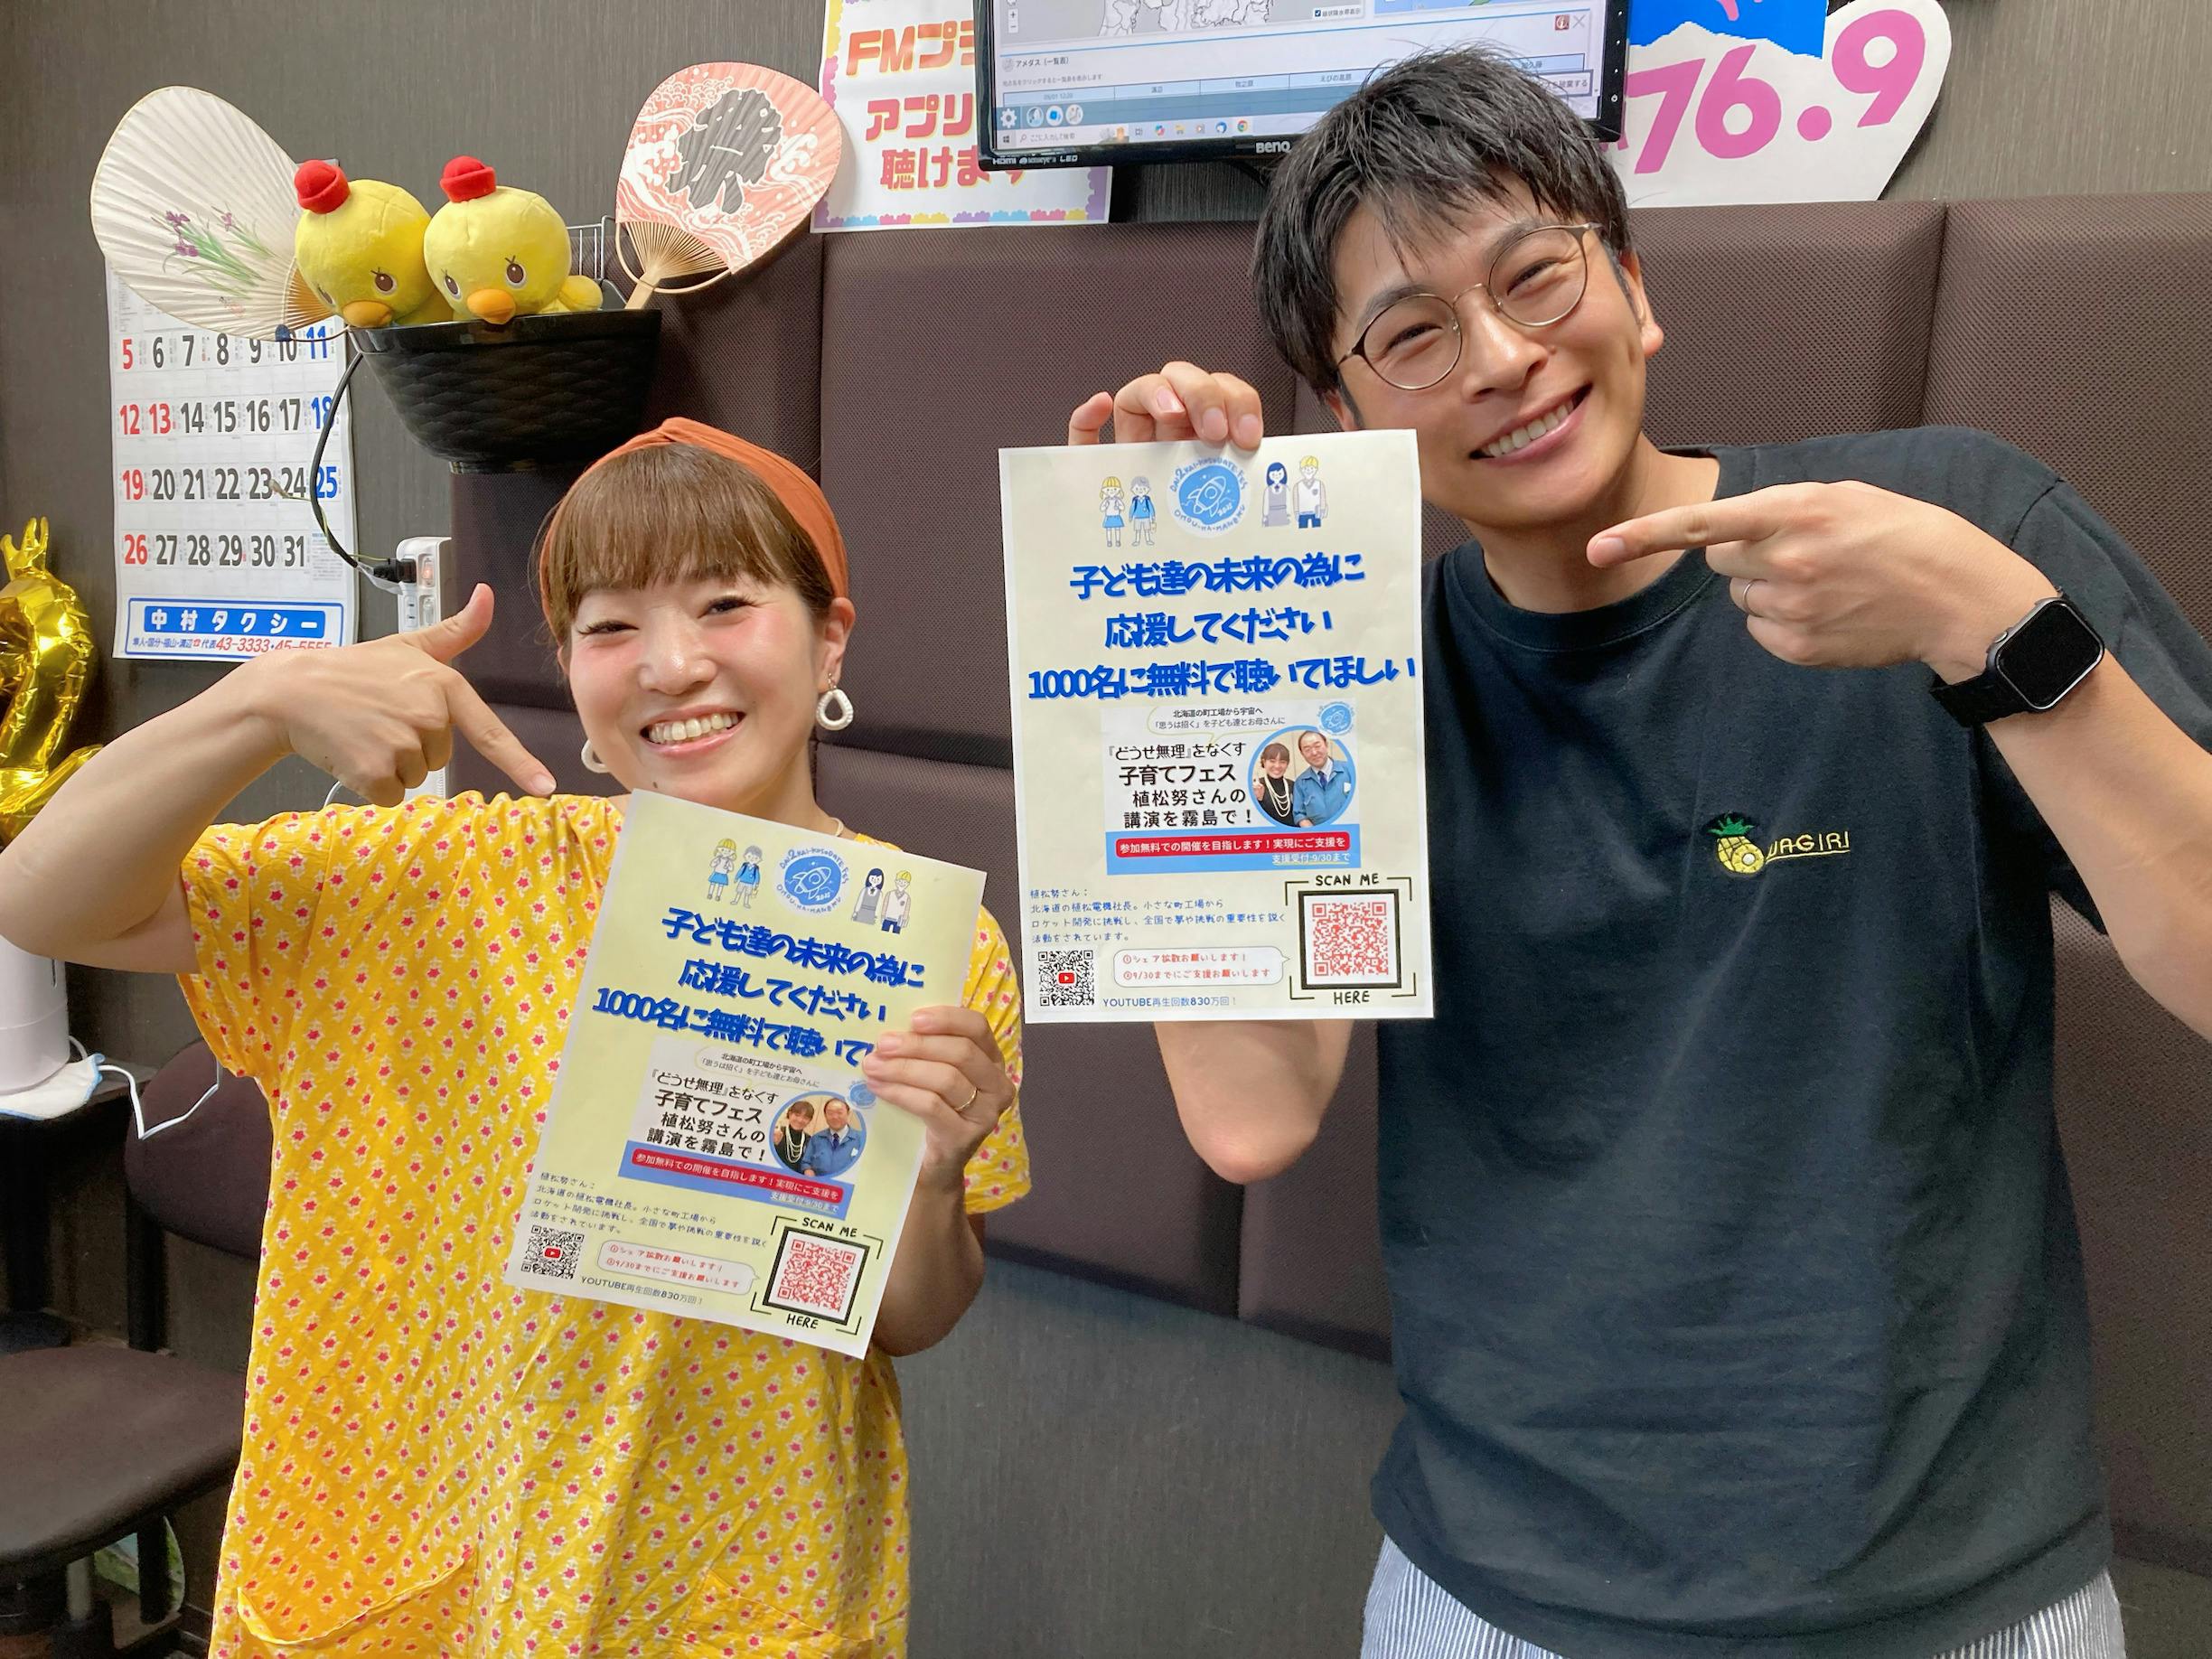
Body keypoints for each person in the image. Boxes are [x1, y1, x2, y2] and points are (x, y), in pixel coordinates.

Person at [1066, 47, 2212, 1659]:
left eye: (1534, 277)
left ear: (1632, 285)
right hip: (1492, 1594)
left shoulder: (1947, 526)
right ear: (1347, 414)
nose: (1501, 359)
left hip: (1950, 1595)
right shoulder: (1344, 690)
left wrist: (1987, 622)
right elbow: (1248, 1117)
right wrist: (1188, 643)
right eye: (1412, 334)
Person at [0, 417, 1032, 1657]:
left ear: (830, 639)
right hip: (438, 1564)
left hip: (742, 1579)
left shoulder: (927, 946)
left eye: (725, 604)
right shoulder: (452, 877)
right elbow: (44, 902)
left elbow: (906, 1318)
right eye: (610, 626)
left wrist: (930, 1181)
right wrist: (257, 703)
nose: (671, 665)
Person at [1290, 729, 1353, 827]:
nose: (1314, 752)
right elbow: (1299, 814)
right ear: (1302, 754)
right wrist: (1314, 832)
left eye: (1317, 746)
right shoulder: (1300, 782)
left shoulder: (1350, 770)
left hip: (1349, 832)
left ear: (1326, 745)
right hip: (1320, 835)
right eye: (1307, 749)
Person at [800, 1098, 868, 1180]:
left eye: (839, 1113)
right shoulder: (816, 1138)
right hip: (819, 1184)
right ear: (825, 1115)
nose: (835, 1117)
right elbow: (806, 1162)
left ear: (848, 1113)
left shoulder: (862, 1139)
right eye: (830, 1113)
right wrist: (808, 1172)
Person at [1253, 740, 1297, 826]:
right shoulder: (1257, 787)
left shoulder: (1293, 786)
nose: (1277, 766)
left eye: (1282, 762)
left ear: (1287, 764)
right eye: (1272, 761)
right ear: (1264, 762)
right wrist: (1258, 800)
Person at [773, 1096, 817, 1170]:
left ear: (810, 1120)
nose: (800, 1120)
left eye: (805, 1118)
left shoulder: (810, 1140)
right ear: (790, 1114)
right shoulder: (776, 1133)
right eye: (797, 1115)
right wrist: (774, 1144)